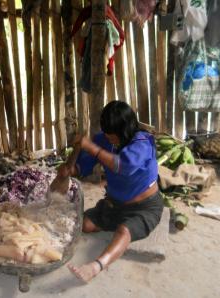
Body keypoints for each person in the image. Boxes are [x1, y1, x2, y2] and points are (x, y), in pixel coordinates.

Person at [60, 100, 163, 282]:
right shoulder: (104, 139)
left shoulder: (143, 142)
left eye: (112, 135)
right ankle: (115, 223)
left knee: (124, 231)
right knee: (85, 225)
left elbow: (124, 166)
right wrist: (71, 169)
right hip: (114, 204)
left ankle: (96, 266)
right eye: (106, 135)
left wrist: (91, 147)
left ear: (125, 129)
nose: (108, 139)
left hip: (145, 207)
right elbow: (84, 165)